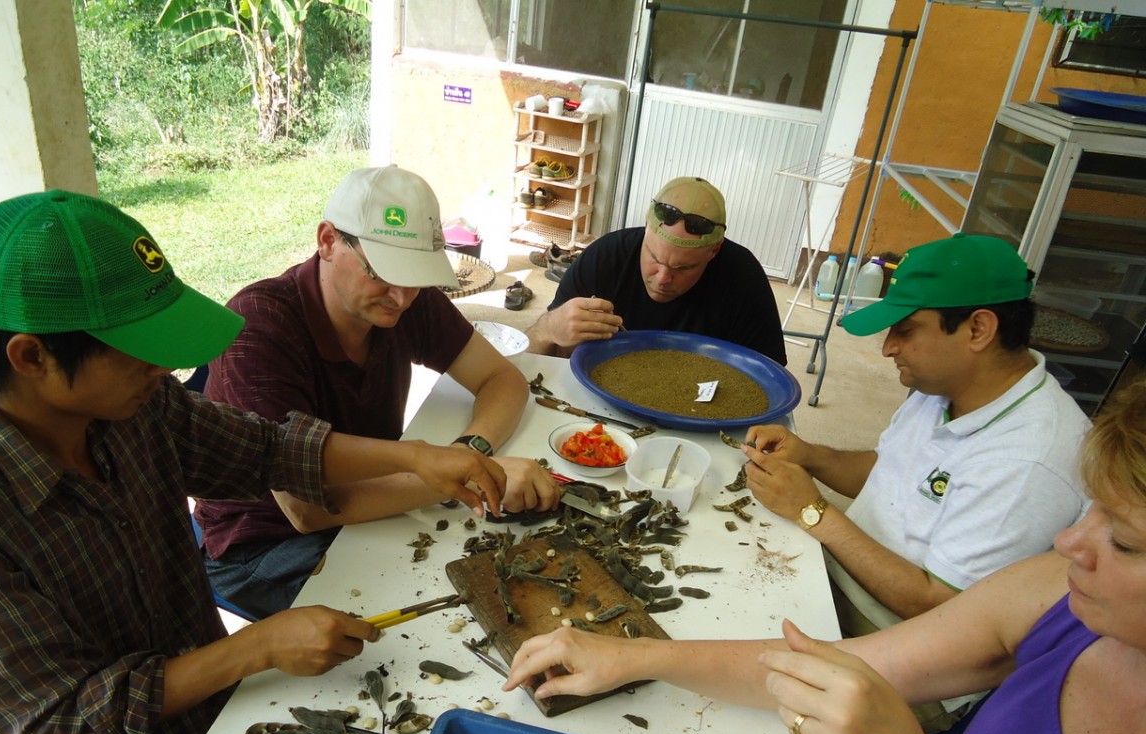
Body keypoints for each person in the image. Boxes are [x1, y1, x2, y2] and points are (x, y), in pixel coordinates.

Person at [0, 189, 508, 734]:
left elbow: (266, 449)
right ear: (31, 357)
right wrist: (260, 647)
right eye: (142, 352)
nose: (164, 370)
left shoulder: (133, 405)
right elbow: (60, 717)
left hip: (203, 720)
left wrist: (420, 459)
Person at [503, 377, 1146, 734]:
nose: (1069, 541)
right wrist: (634, 655)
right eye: (1092, 509)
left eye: (1122, 540)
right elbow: (844, 665)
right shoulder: (1056, 593)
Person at [196, 166, 557, 619]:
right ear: (327, 240)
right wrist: (464, 475)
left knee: (497, 568)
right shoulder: (260, 330)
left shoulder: (404, 298)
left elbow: (501, 379)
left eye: (414, 276)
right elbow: (308, 512)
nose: (401, 297)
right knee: (451, 610)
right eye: (383, 271)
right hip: (263, 542)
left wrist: (471, 452)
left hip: (367, 503)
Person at [741, 234, 1088, 643]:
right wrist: (810, 455)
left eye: (905, 330)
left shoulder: (1030, 460)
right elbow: (888, 472)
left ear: (978, 328)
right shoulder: (944, 386)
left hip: (894, 636)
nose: (888, 348)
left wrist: (811, 510)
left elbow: (938, 604)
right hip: (839, 572)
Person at [524, 176, 786, 364]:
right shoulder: (605, 257)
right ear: (646, 228)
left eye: (684, 267)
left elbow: (768, 382)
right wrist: (549, 327)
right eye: (654, 258)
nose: (662, 279)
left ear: (714, 250)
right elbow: (527, 360)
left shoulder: (743, 278)